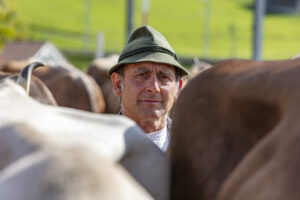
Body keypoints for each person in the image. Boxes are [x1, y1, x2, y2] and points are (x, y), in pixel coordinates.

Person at [109, 25, 189, 152]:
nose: (154, 87)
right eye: (141, 75)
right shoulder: (94, 148)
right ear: (118, 84)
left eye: (164, 77)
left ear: (177, 88)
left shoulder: (192, 149)